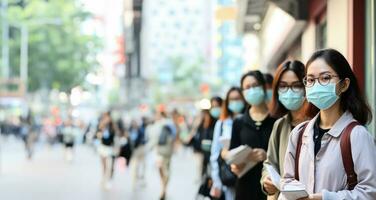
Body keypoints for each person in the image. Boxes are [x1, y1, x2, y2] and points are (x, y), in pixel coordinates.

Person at [280, 49, 376, 200]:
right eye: (310, 80)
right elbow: (288, 182)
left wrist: (324, 198)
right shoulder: (298, 134)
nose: (316, 85)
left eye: (325, 78)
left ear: (344, 85)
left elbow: (370, 192)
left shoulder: (357, 135)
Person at [260, 60, 308, 200]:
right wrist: (267, 180)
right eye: (283, 86)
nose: (289, 91)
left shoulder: (319, 123)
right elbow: (270, 163)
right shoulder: (280, 125)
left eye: (296, 86)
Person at [229, 70, 276, 200]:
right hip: (244, 188)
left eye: (255, 85)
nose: (252, 90)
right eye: (247, 87)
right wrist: (237, 164)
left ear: (263, 87)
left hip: (270, 189)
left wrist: (266, 155)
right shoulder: (238, 122)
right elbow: (232, 155)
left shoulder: (277, 121)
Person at [210, 87, 246, 200]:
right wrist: (216, 180)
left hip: (248, 174)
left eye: (238, 98)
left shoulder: (248, 121)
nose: (235, 102)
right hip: (228, 176)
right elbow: (215, 153)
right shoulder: (221, 123)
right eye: (232, 99)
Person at [147, 111, 177, 200]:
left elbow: (153, 138)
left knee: (162, 169)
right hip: (167, 150)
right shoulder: (170, 123)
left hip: (160, 151)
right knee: (165, 169)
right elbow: (175, 135)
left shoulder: (159, 124)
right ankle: (164, 188)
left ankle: (163, 189)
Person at [97, 111, 119, 190]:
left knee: (110, 166)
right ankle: (103, 178)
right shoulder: (102, 125)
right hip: (103, 147)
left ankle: (109, 180)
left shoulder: (112, 126)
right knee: (104, 166)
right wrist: (101, 129)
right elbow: (97, 134)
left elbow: (116, 136)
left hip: (110, 148)